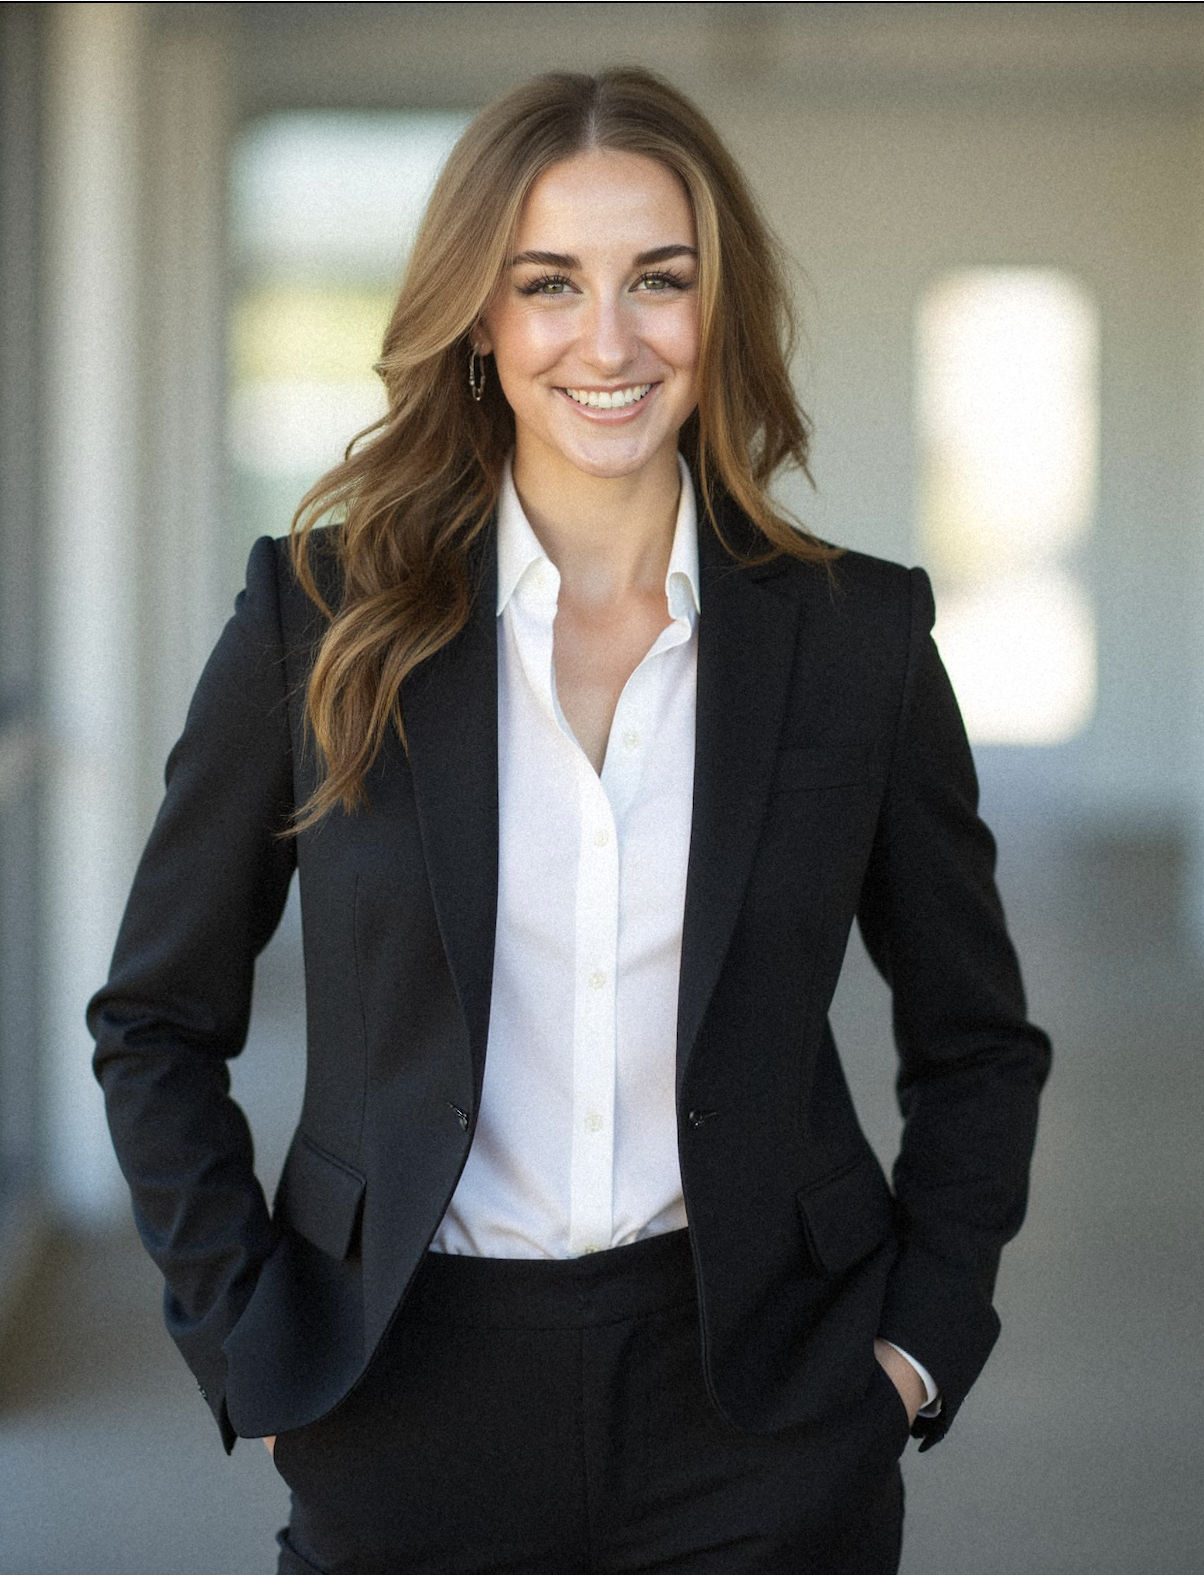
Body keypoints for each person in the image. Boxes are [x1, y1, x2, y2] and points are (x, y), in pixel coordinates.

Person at [89, 67, 1051, 1575]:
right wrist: (250, 1344)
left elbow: (977, 1038)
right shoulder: (317, 618)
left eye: (657, 280)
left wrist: (917, 1347)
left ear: (713, 307)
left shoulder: (854, 637)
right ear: (480, 317)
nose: (609, 339)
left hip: (766, 1398)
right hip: (403, 1386)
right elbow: (154, 1018)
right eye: (550, 284)